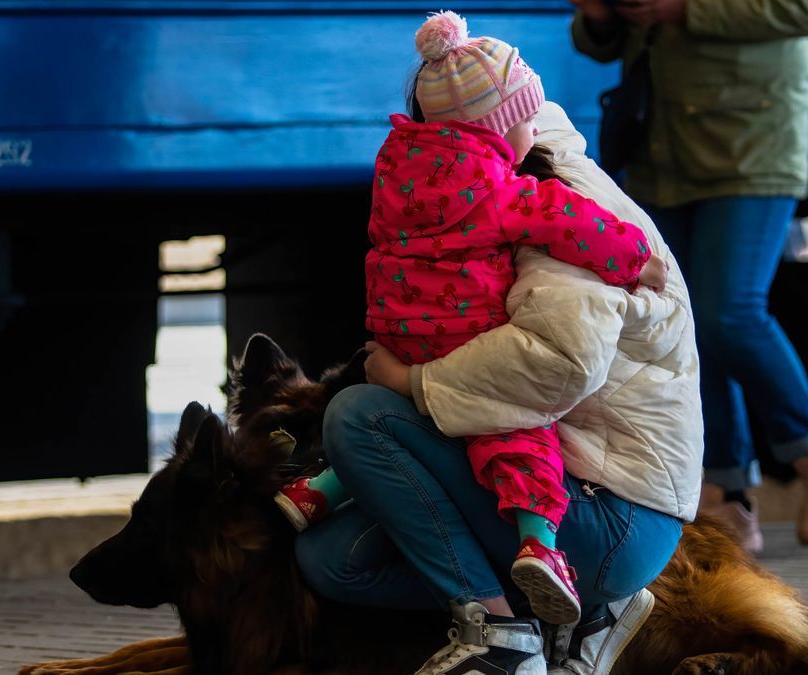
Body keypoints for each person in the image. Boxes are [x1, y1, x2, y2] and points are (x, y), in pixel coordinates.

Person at [292, 36, 703, 675]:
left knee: (360, 415)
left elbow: (561, 363)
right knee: (332, 561)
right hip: (577, 475)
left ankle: (502, 635)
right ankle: (580, 614)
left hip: (613, 508)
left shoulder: (550, 207)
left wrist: (410, 378)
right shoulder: (505, 178)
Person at [569, 0, 808, 553]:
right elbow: (597, 43)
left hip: (750, 144)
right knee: (687, 323)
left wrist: (681, 9)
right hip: (660, 151)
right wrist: (600, 16)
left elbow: (807, 9)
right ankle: (728, 493)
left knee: (729, 312)